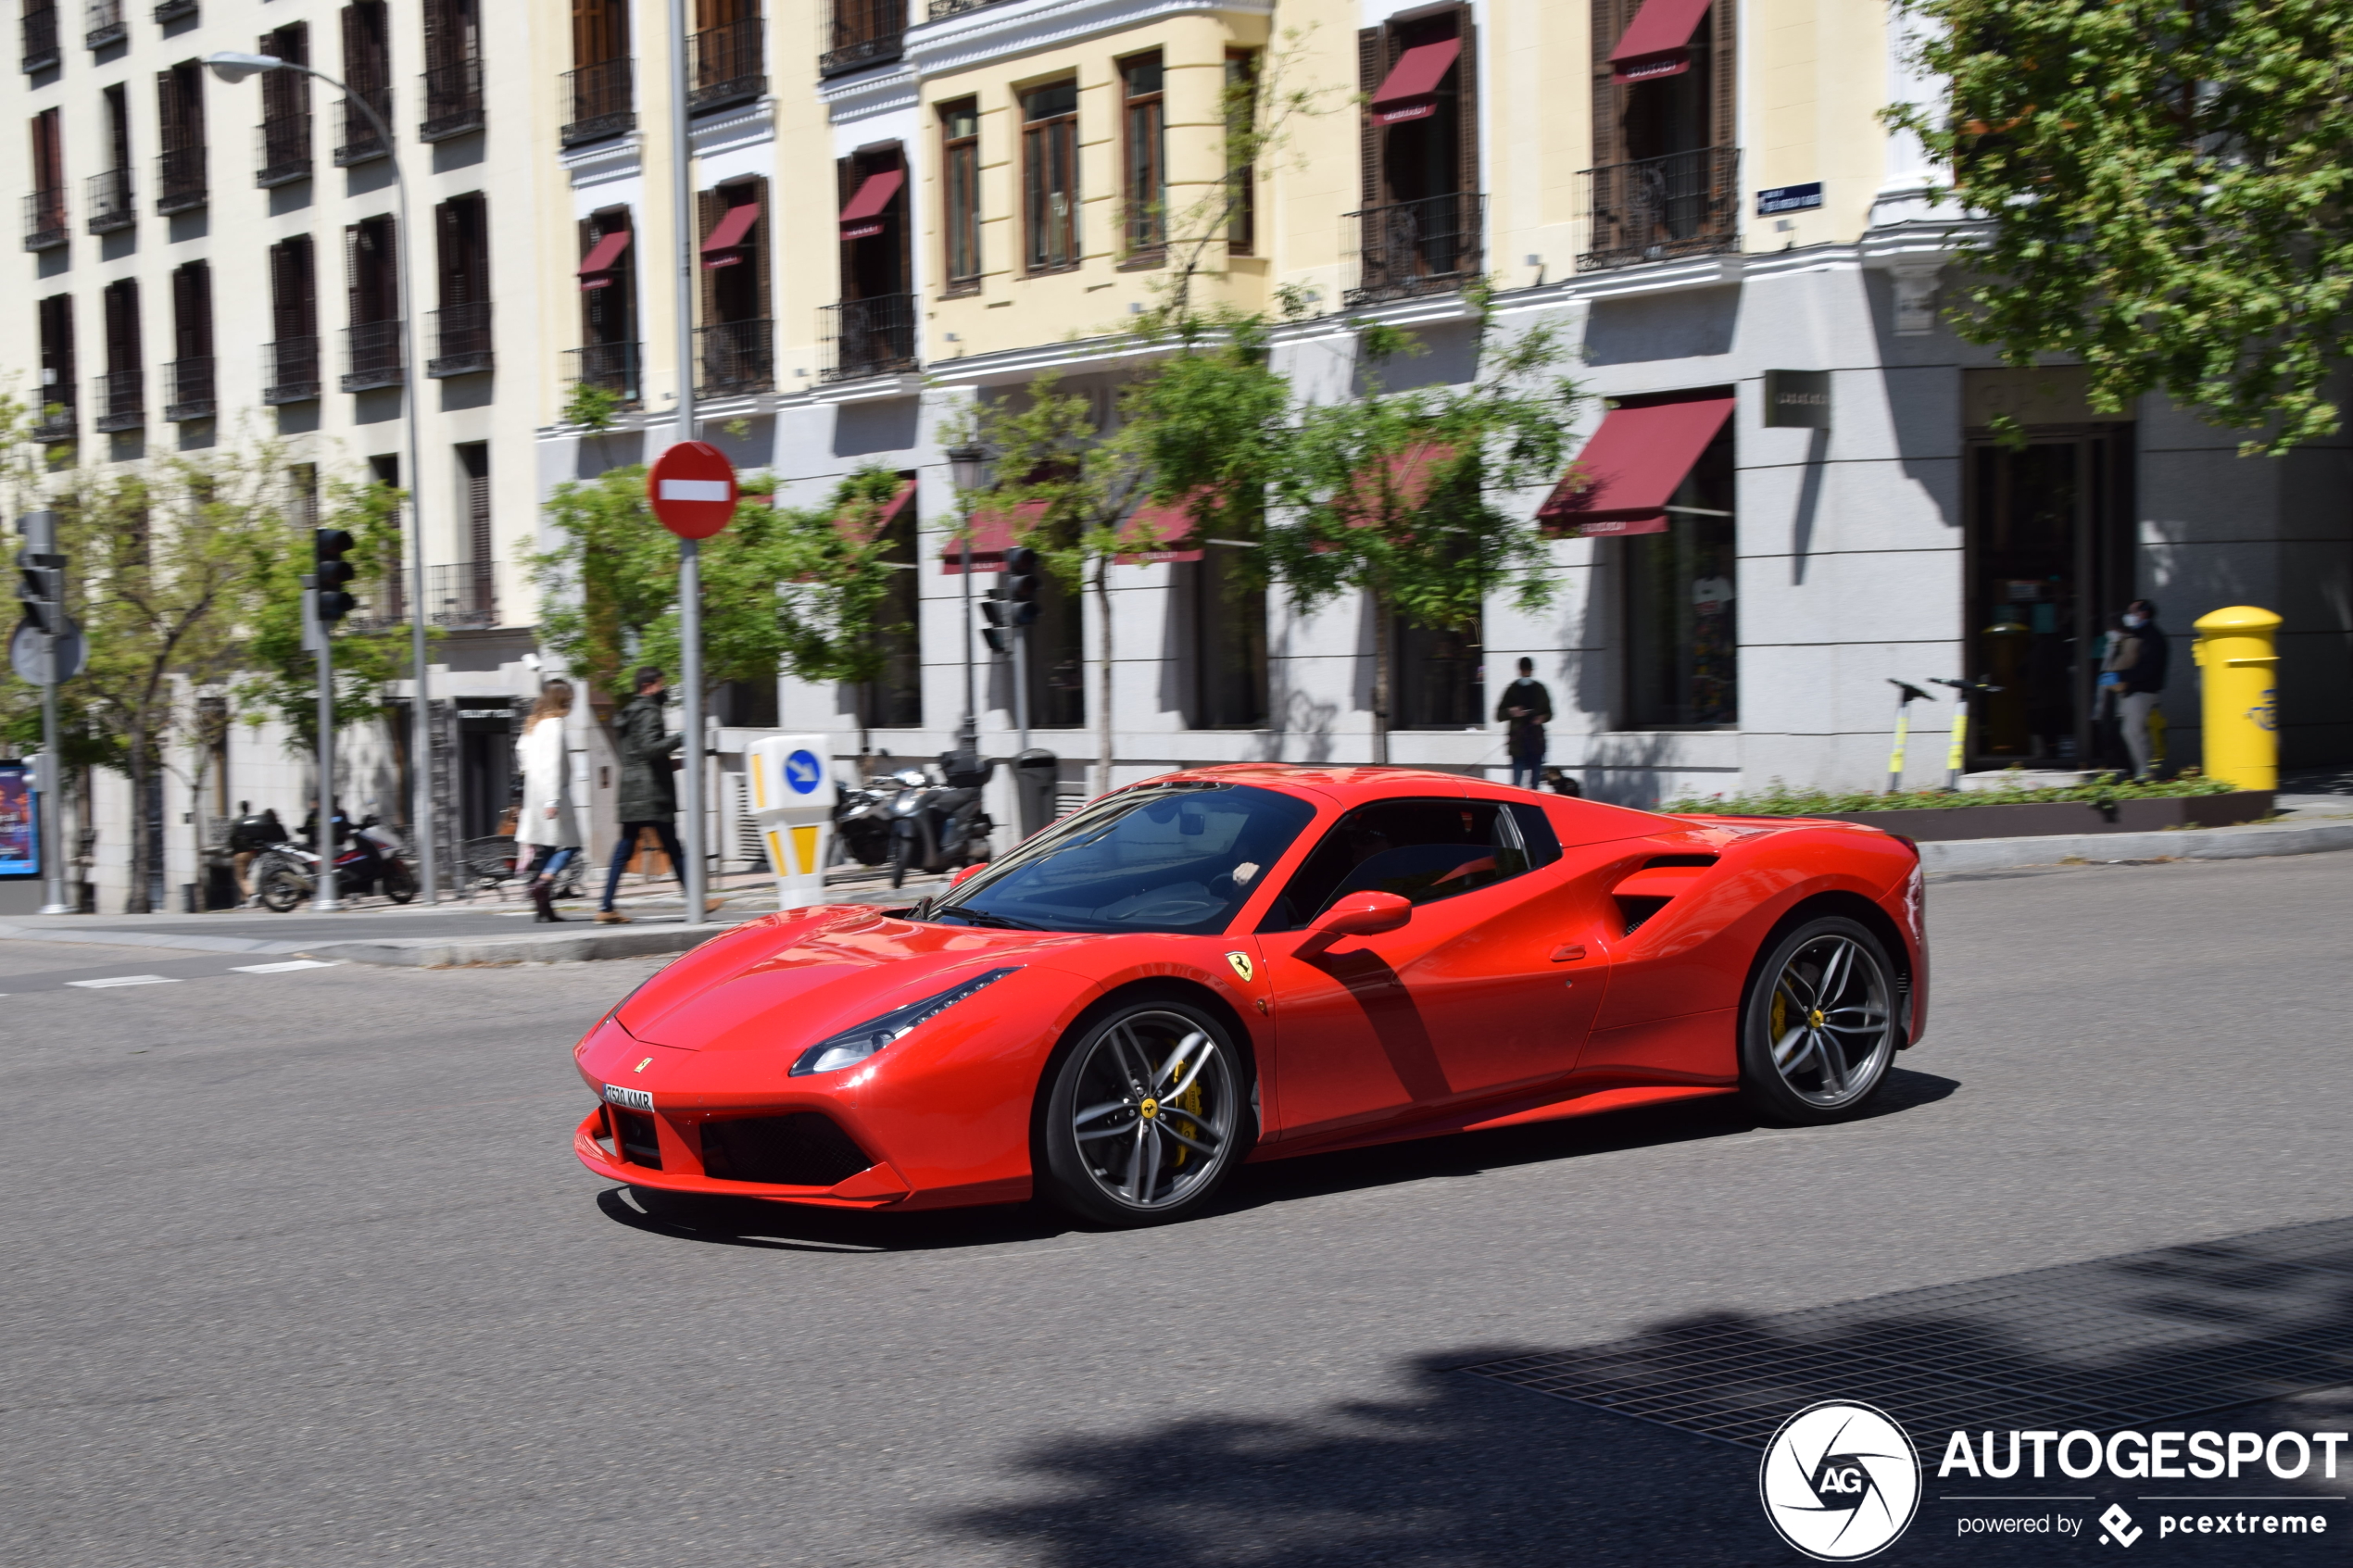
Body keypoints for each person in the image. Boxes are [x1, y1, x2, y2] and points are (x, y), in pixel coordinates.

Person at [597, 665, 692, 925]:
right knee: (673, 846)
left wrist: (669, 763)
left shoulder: (629, 713)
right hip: (651, 791)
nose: (664, 689)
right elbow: (650, 749)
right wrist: (682, 737)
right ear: (649, 686)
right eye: (661, 684)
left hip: (631, 786)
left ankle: (605, 906)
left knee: (624, 848)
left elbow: (638, 753)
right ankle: (696, 901)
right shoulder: (650, 711)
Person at [514, 680, 583, 923]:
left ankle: (544, 908)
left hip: (535, 793)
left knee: (549, 848)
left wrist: (530, 776)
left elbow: (520, 751)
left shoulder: (533, 724)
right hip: (553, 794)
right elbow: (553, 763)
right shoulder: (555, 724)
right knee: (572, 845)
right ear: (563, 699)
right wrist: (553, 798)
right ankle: (542, 884)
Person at [2102, 598, 2170, 779]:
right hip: (2134, 691)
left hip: (2142, 692)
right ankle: (2143, 770)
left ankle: (2145, 772)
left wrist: (2120, 676)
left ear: (2143, 613)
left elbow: (2147, 669)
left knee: (2134, 731)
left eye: (2132, 612)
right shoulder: (2141, 634)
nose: (2129, 616)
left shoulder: (2151, 637)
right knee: (2132, 731)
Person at [1495, 657, 1554, 790]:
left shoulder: (1540, 689)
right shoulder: (1512, 690)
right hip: (1518, 743)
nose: (1526, 673)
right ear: (1519, 670)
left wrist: (1541, 718)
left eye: (1528, 670)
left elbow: (1550, 713)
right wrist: (1511, 711)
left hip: (1536, 742)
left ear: (1532, 670)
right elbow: (1498, 715)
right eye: (1524, 670)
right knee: (1516, 785)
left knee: (1535, 785)